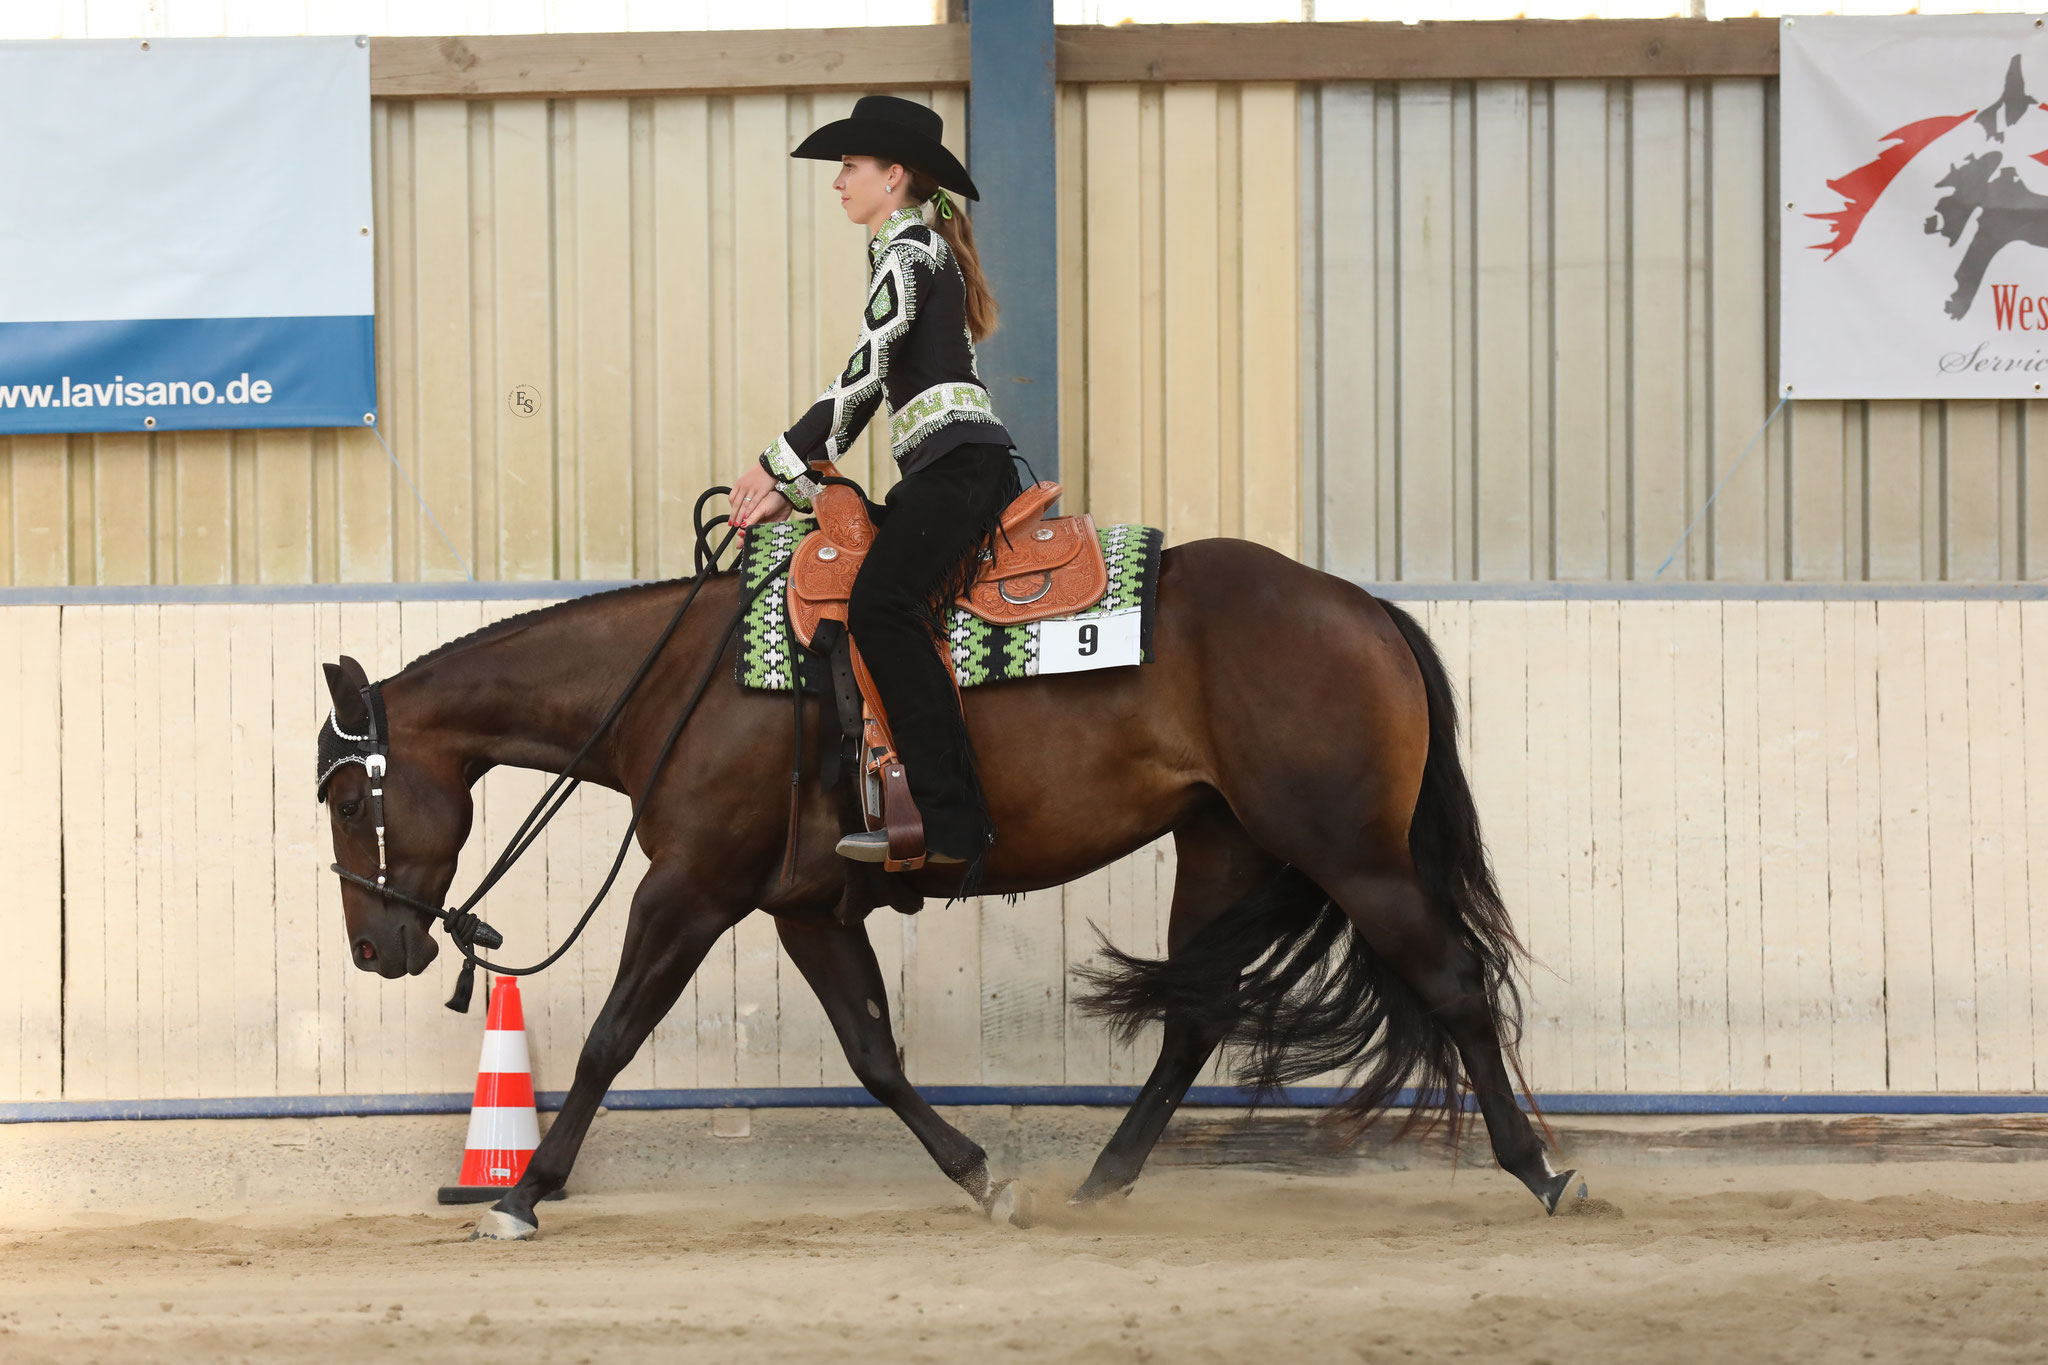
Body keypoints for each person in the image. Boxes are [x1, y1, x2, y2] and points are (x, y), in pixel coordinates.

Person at [728, 94, 1021, 881]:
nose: (839, 183)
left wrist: (777, 465)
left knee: (882, 608)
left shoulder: (911, 251)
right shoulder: (914, 247)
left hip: (959, 467)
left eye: (850, 167)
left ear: (894, 176)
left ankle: (951, 820)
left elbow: (862, 381)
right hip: (946, 467)